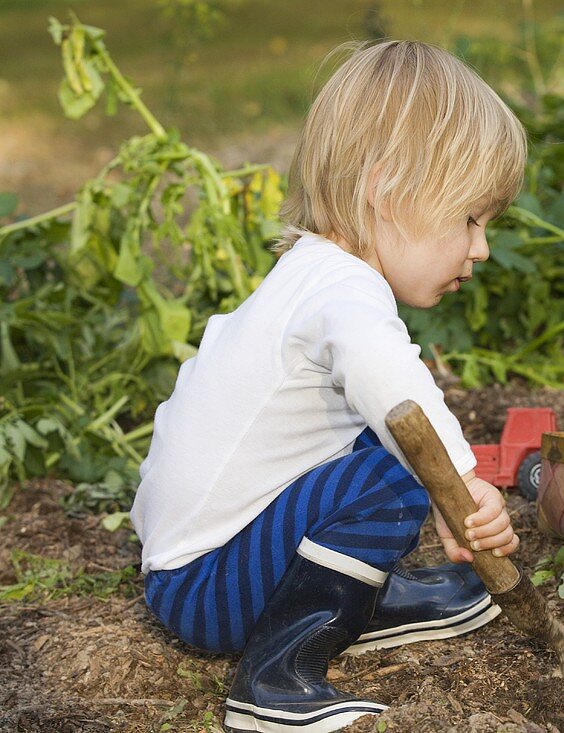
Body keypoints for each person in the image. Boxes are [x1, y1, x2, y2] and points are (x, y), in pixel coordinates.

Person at [130, 39, 527, 733]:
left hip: (195, 565)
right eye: (469, 218)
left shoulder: (312, 276)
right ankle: (275, 675)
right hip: (206, 587)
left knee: (372, 450)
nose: (481, 247)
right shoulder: (345, 295)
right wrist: (459, 483)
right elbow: (396, 387)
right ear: (385, 189)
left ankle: (356, 597)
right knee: (393, 479)